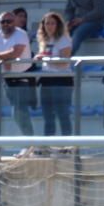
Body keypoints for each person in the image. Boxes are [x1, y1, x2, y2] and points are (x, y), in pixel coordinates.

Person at [0, 10, 35, 146]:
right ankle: (30, 144)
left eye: (9, 21)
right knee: (17, 112)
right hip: (8, 79)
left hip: (22, 78)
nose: (6, 24)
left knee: (20, 112)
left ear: (15, 22)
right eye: (3, 22)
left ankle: (30, 144)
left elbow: (16, 52)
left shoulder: (21, 34)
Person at [34, 11, 73, 140]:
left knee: (62, 112)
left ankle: (66, 142)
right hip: (46, 78)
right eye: (47, 23)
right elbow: (44, 57)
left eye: (52, 23)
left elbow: (64, 62)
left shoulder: (64, 39)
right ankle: (48, 142)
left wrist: (46, 58)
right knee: (47, 113)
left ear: (58, 25)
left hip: (61, 79)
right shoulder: (43, 40)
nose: (49, 26)